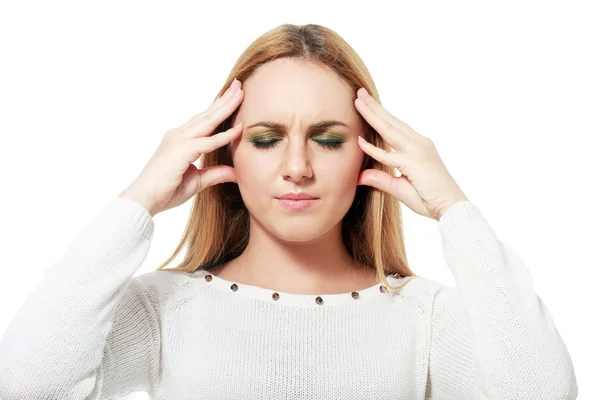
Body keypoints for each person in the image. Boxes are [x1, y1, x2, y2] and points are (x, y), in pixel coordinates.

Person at [0, 23, 578, 399]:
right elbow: (25, 386)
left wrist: (455, 210)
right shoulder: (162, 309)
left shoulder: (422, 318)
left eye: (328, 139)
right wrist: (138, 201)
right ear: (225, 148)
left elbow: (543, 392)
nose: (297, 166)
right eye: (266, 138)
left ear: (369, 152)